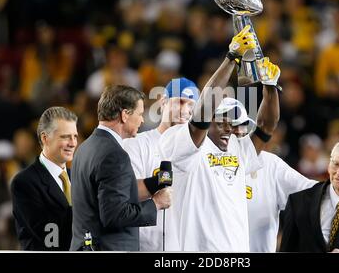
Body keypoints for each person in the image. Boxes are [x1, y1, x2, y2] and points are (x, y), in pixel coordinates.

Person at [159, 25, 281, 251]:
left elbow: (267, 125)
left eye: (233, 123)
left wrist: (270, 89)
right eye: (222, 120)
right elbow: (203, 113)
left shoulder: (238, 147)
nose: (228, 128)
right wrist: (232, 58)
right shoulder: (182, 140)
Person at [70, 85, 172, 251]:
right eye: (139, 114)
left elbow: (103, 197)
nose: (142, 120)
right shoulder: (114, 154)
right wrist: (156, 204)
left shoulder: (84, 147)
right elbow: (115, 215)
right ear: (125, 115)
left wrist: (155, 183)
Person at [226, 98, 317, 252]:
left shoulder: (270, 165)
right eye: (230, 126)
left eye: (243, 126)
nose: (239, 131)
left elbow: (308, 190)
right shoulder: (202, 164)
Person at [122, 77, 199, 251]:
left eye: (191, 106)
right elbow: (125, 194)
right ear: (163, 102)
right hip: (143, 247)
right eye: (180, 102)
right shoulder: (136, 144)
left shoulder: (199, 153)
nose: (185, 111)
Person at [11, 106, 78, 250]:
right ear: (45, 138)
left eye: (75, 136)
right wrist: (88, 213)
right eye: (65, 136)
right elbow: (48, 234)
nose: (72, 143)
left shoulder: (78, 177)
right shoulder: (24, 182)